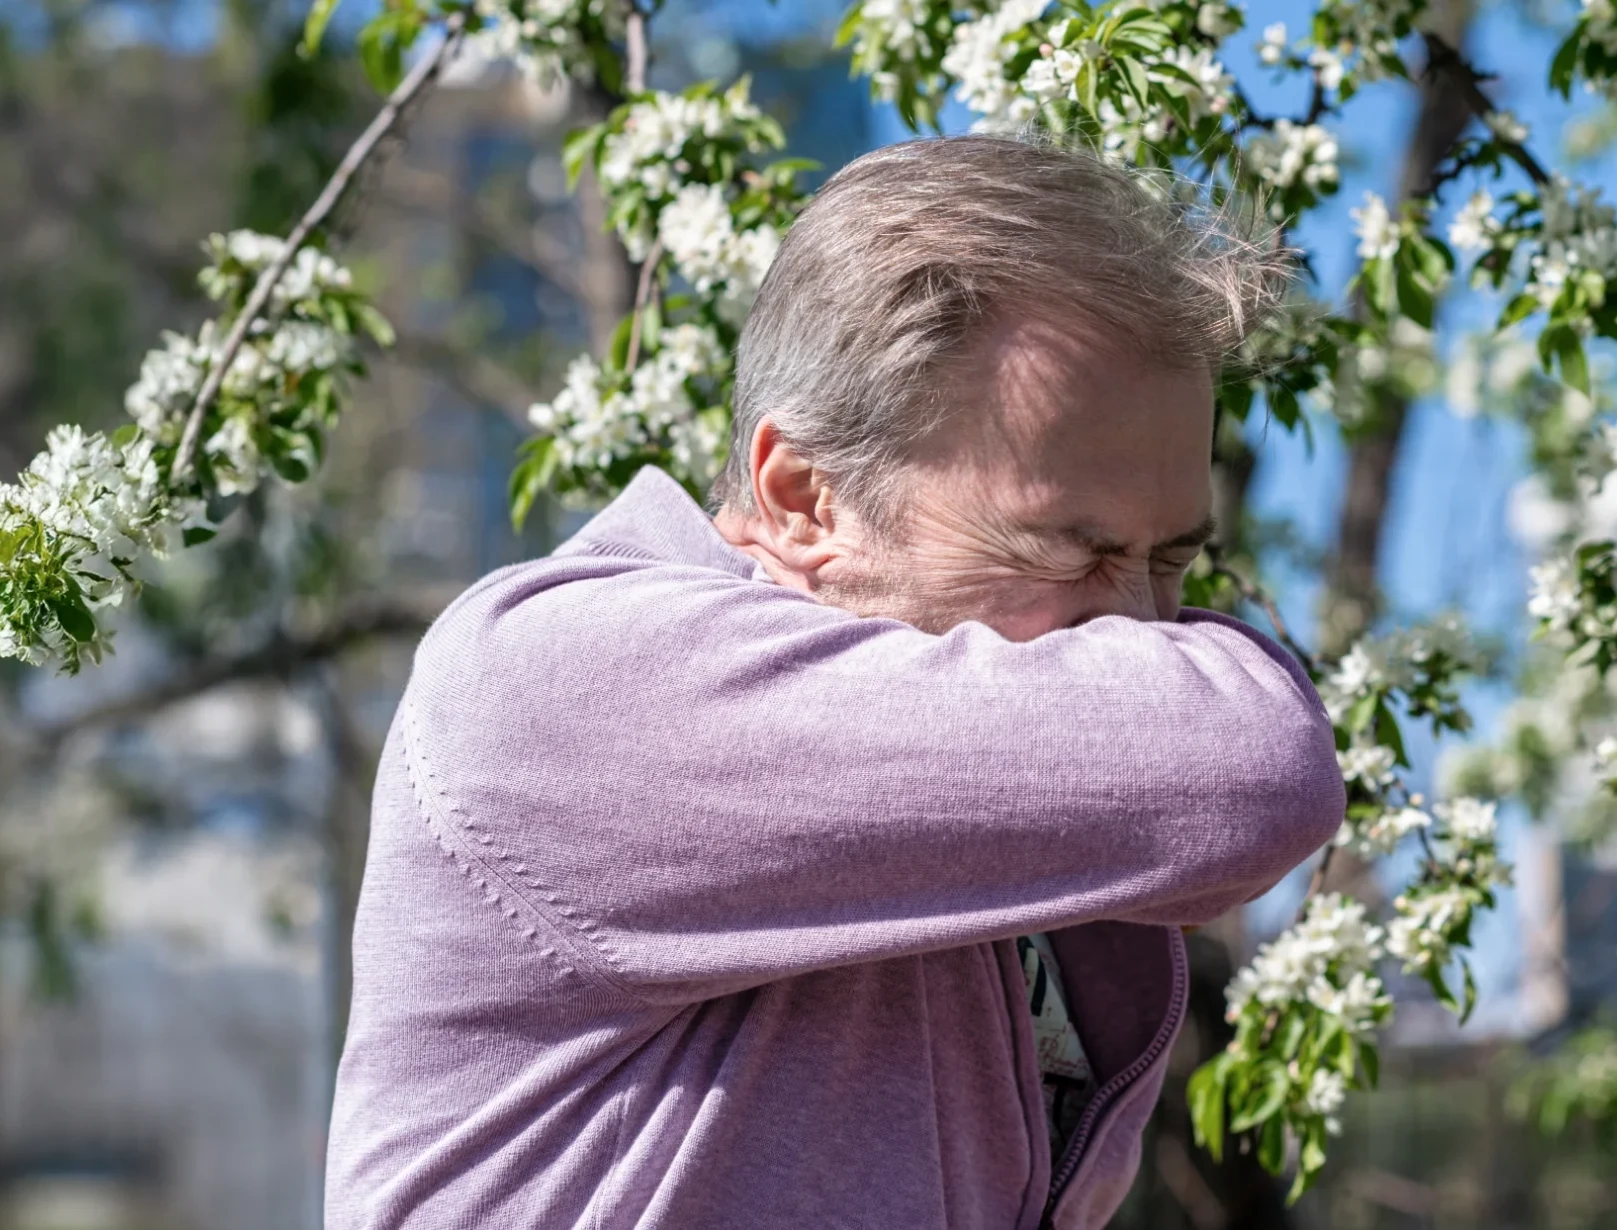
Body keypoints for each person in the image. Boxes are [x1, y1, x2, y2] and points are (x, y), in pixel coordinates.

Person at [325, 134, 1344, 1230]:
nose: (1140, 621)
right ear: (805, 495)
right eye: (1074, 550)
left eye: (1172, 561)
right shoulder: (553, 676)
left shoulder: (967, 760)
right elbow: (1249, 769)